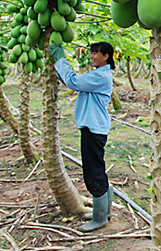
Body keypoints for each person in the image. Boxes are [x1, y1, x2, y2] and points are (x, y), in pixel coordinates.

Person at [49, 41, 116, 232]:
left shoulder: (101, 76)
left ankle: (100, 218)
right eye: (92, 53)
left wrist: (60, 58)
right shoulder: (98, 74)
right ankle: (103, 211)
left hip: (94, 129)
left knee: (93, 172)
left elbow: (74, 82)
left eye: (96, 53)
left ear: (106, 56)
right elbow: (72, 82)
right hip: (94, 128)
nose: (92, 56)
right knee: (98, 169)